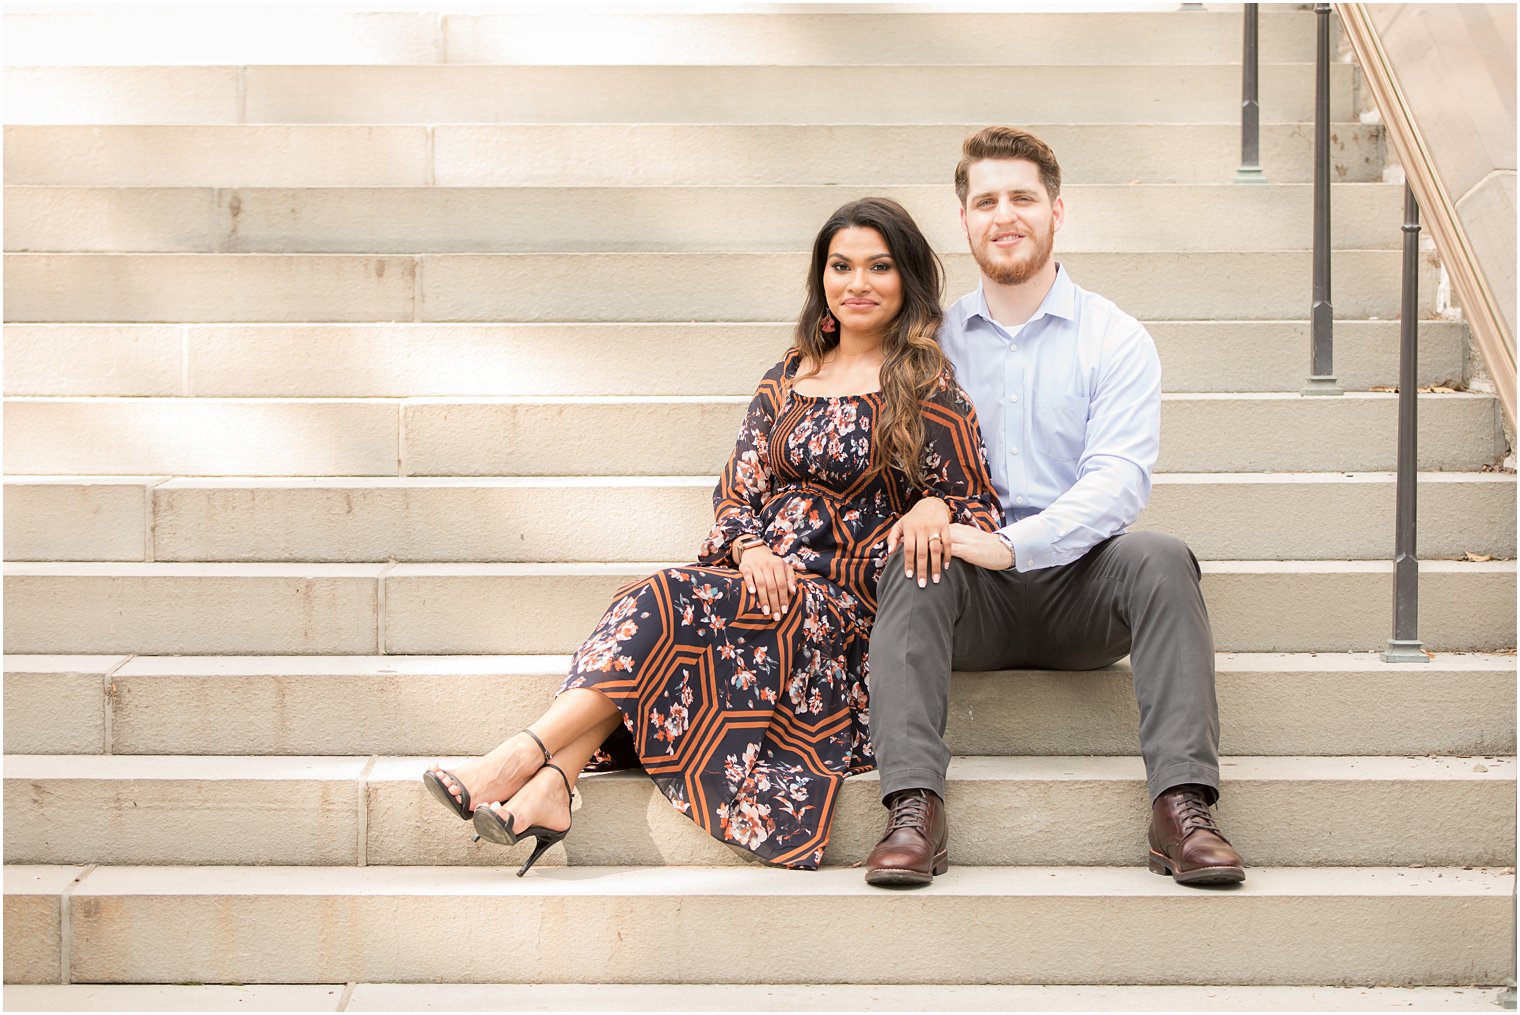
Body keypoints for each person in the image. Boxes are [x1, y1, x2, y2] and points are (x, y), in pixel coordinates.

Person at [425, 197, 1001, 874]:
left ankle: (524, 755)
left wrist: (936, 505)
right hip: (759, 584)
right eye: (841, 266)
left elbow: (981, 508)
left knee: (666, 597)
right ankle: (553, 785)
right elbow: (737, 490)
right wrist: (753, 548)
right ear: (822, 277)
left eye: (878, 267)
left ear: (905, 278)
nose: (858, 283)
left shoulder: (924, 382)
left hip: (844, 616)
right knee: (661, 599)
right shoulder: (789, 375)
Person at [862, 127, 1246, 888]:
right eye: (986, 201)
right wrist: (935, 510)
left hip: (1081, 588)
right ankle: (912, 807)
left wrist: (1014, 543)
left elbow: (1118, 480)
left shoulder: (1116, 337)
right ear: (965, 219)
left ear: (1057, 211)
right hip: (967, 598)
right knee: (912, 557)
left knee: (1162, 556)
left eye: (1023, 198)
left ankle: (1181, 806)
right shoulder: (925, 345)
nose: (1005, 215)